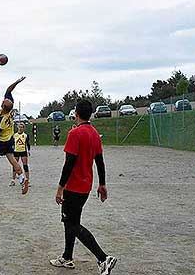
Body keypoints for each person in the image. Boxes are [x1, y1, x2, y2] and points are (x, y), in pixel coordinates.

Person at [50, 100, 116, 275]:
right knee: (72, 221)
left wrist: (60, 188)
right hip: (86, 187)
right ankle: (67, 257)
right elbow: (100, 162)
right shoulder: (94, 134)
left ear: (76, 113)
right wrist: (102, 184)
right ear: (91, 114)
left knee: (71, 224)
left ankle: (103, 258)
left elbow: (69, 164)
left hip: (73, 187)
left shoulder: (75, 133)